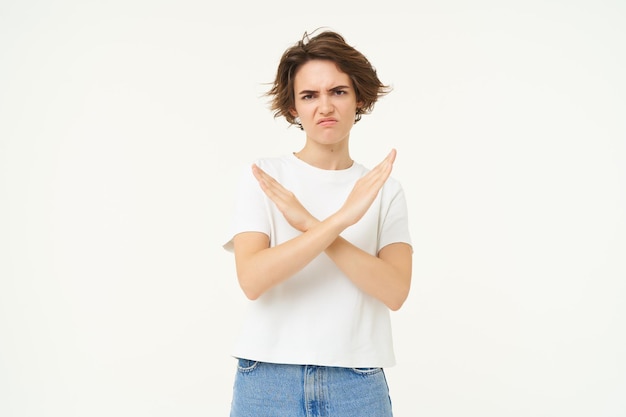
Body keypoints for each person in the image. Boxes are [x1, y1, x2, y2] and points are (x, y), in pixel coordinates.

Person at [223, 28, 413, 417]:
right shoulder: (265, 177)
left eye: (338, 92)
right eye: (309, 95)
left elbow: (395, 291)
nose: (324, 106)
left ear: (359, 97)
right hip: (267, 379)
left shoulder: (383, 189)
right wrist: (340, 219)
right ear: (293, 107)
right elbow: (252, 280)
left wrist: (311, 222)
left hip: (356, 382)